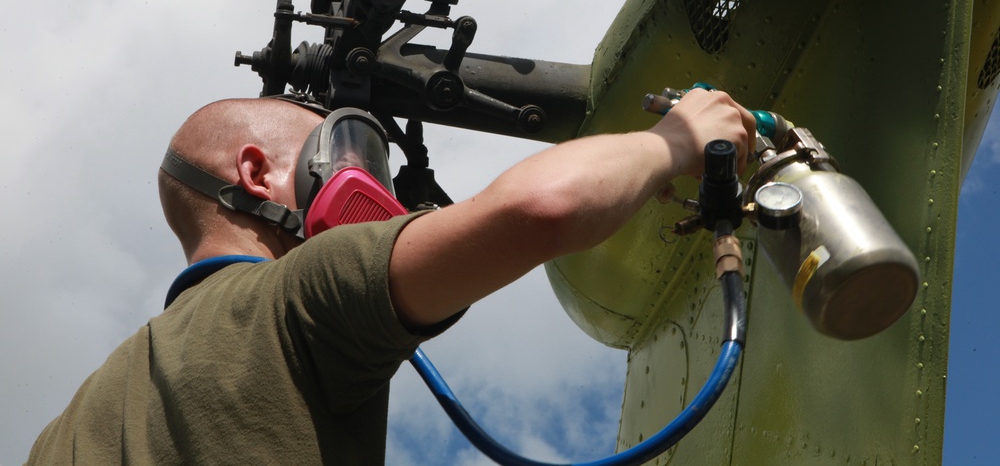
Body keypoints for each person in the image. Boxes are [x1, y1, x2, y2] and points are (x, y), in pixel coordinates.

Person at [26, 89, 755, 464]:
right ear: (256, 172)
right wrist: (677, 139)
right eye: (341, 150)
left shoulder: (75, 424)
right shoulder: (292, 300)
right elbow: (542, 207)